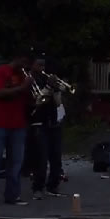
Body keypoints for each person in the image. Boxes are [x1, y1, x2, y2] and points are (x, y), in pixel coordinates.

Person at [0, 49, 34, 207]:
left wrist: (35, 92)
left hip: (18, 125)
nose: (25, 66)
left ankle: (12, 196)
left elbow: (29, 101)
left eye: (27, 64)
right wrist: (23, 87)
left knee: (16, 163)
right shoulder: (1, 71)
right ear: (16, 58)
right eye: (23, 62)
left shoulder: (25, 76)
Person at [28, 58, 66, 200]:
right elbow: (38, 100)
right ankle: (37, 187)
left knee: (56, 157)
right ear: (32, 65)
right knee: (41, 159)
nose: (42, 68)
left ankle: (53, 186)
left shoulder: (47, 79)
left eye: (43, 64)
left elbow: (57, 103)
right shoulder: (31, 80)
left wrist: (57, 90)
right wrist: (49, 87)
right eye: (39, 64)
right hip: (39, 123)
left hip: (54, 121)